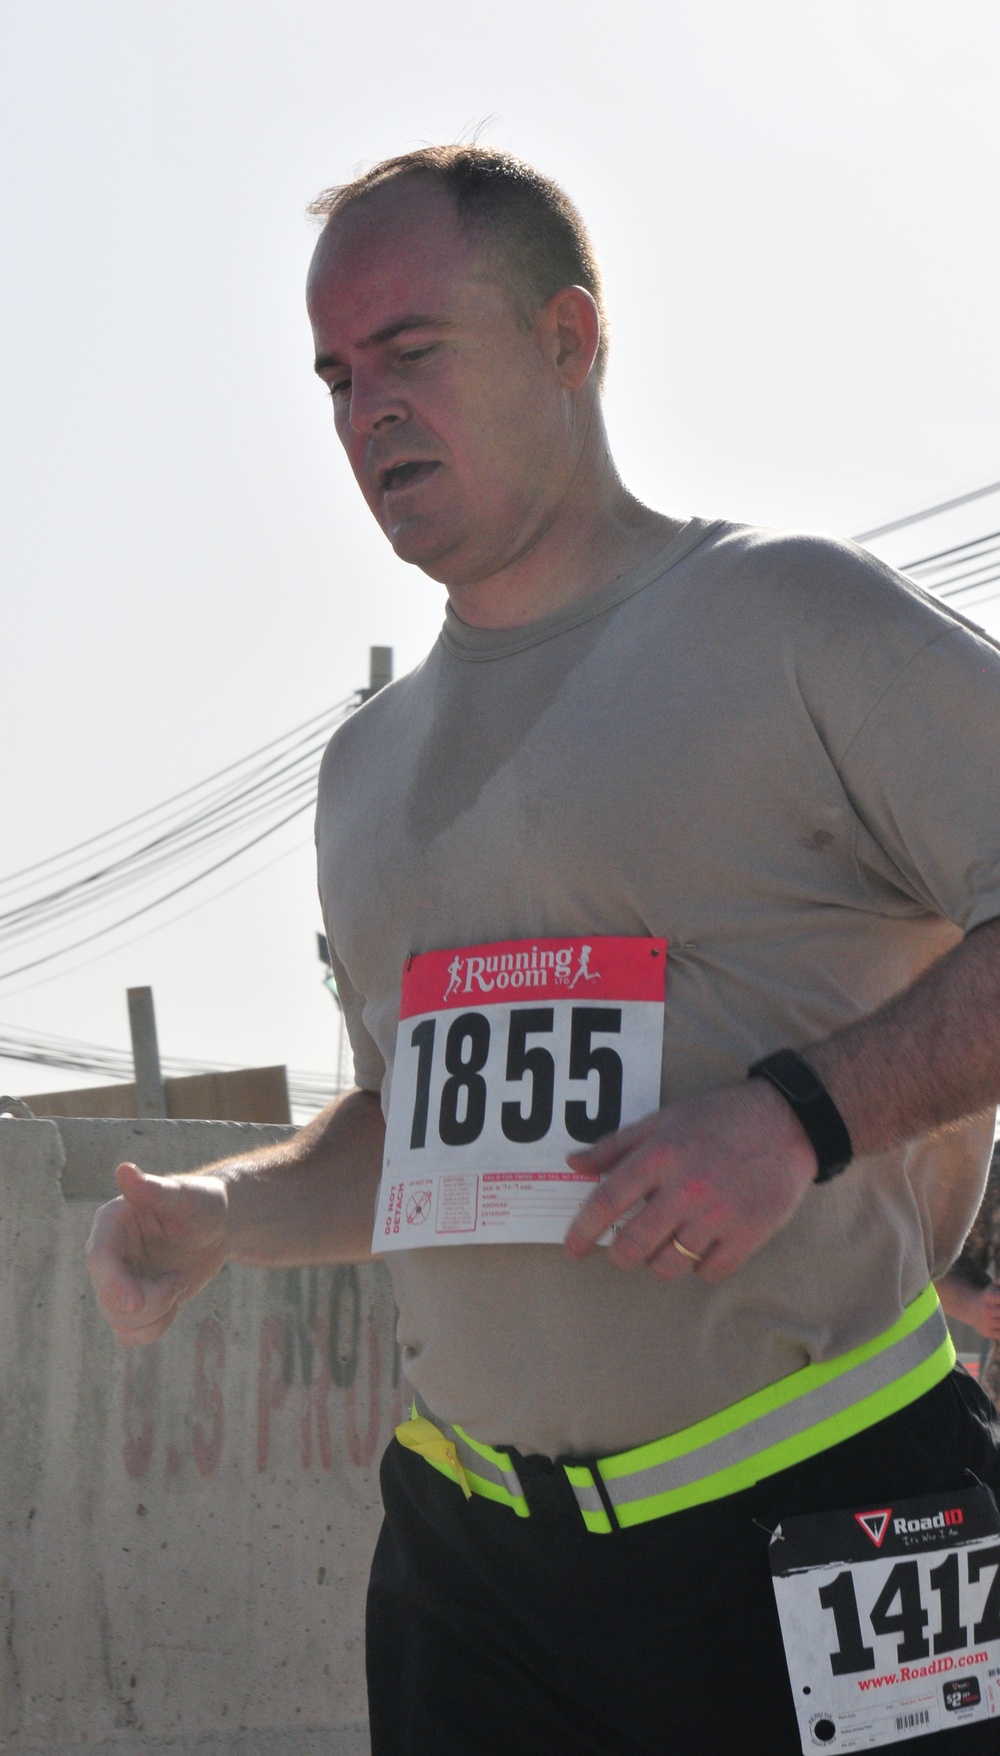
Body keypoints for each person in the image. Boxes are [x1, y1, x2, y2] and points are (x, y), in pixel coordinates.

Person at [86, 146, 1000, 1753]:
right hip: (470, 1579)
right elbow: (414, 1139)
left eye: (412, 352)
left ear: (571, 339)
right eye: (336, 374)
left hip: (827, 1529)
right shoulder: (365, 772)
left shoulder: (790, 619)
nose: (367, 407)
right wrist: (223, 1216)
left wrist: (799, 1115)